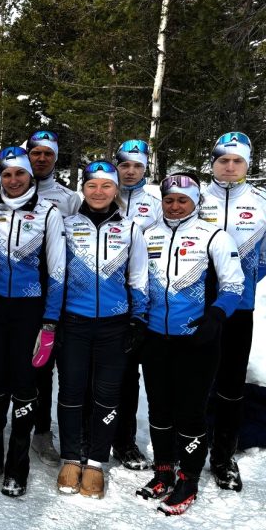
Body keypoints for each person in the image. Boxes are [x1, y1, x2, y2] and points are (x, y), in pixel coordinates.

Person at [138, 172, 244, 515]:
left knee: (190, 411)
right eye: (169, 199)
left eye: (183, 200)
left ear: (196, 202)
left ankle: (190, 476)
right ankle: (164, 470)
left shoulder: (214, 236)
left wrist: (215, 317)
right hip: (156, 336)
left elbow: (234, 286)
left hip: (196, 339)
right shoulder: (148, 234)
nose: (175, 205)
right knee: (159, 407)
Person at [0, 147, 65, 497]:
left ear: (30, 177)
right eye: (7, 174)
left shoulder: (48, 212)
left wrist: (51, 320)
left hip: (30, 308)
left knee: (25, 383)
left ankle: (18, 460)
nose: (13, 180)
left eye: (19, 174)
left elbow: (57, 270)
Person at [56, 160, 148, 499]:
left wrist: (138, 319)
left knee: (107, 395)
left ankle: (95, 461)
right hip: (74, 322)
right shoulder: (65, 225)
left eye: (106, 186)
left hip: (114, 324)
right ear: (83, 188)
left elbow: (138, 277)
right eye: (92, 185)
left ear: (115, 190)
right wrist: (54, 318)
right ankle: (70, 457)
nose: (98, 191)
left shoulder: (130, 229)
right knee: (70, 392)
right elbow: (55, 273)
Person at [198, 132, 266, 491]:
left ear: (247, 163)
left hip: (239, 308)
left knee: (231, 383)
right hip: (194, 304)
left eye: (237, 161)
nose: (229, 167)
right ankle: (190, 447)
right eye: (222, 160)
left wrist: (240, 286)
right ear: (212, 162)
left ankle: (223, 456)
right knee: (195, 380)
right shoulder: (196, 198)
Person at [24, 130, 80, 467]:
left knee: (47, 363)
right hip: (22, 291)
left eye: (48, 153)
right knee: (21, 361)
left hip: (58, 289)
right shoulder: (12, 190)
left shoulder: (69, 198)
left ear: (55, 158)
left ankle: (42, 431)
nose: (41, 158)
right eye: (36, 153)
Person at [111, 139, 162, 471]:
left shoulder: (156, 204)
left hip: (142, 300)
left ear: (146, 168)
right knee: (102, 374)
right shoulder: (98, 192)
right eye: (125, 165)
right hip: (105, 299)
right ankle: (93, 432)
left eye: (137, 166)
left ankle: (125, 441)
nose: (130, 172)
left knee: (130, 376)